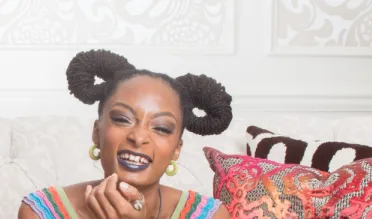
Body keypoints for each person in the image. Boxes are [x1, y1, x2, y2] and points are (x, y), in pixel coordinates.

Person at [18, 49, 234, 219]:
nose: (138, 137)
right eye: (122, 119)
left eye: (161, 128)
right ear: (96, 132)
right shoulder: (41, 212)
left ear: (177, 149)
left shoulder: (210, 215)